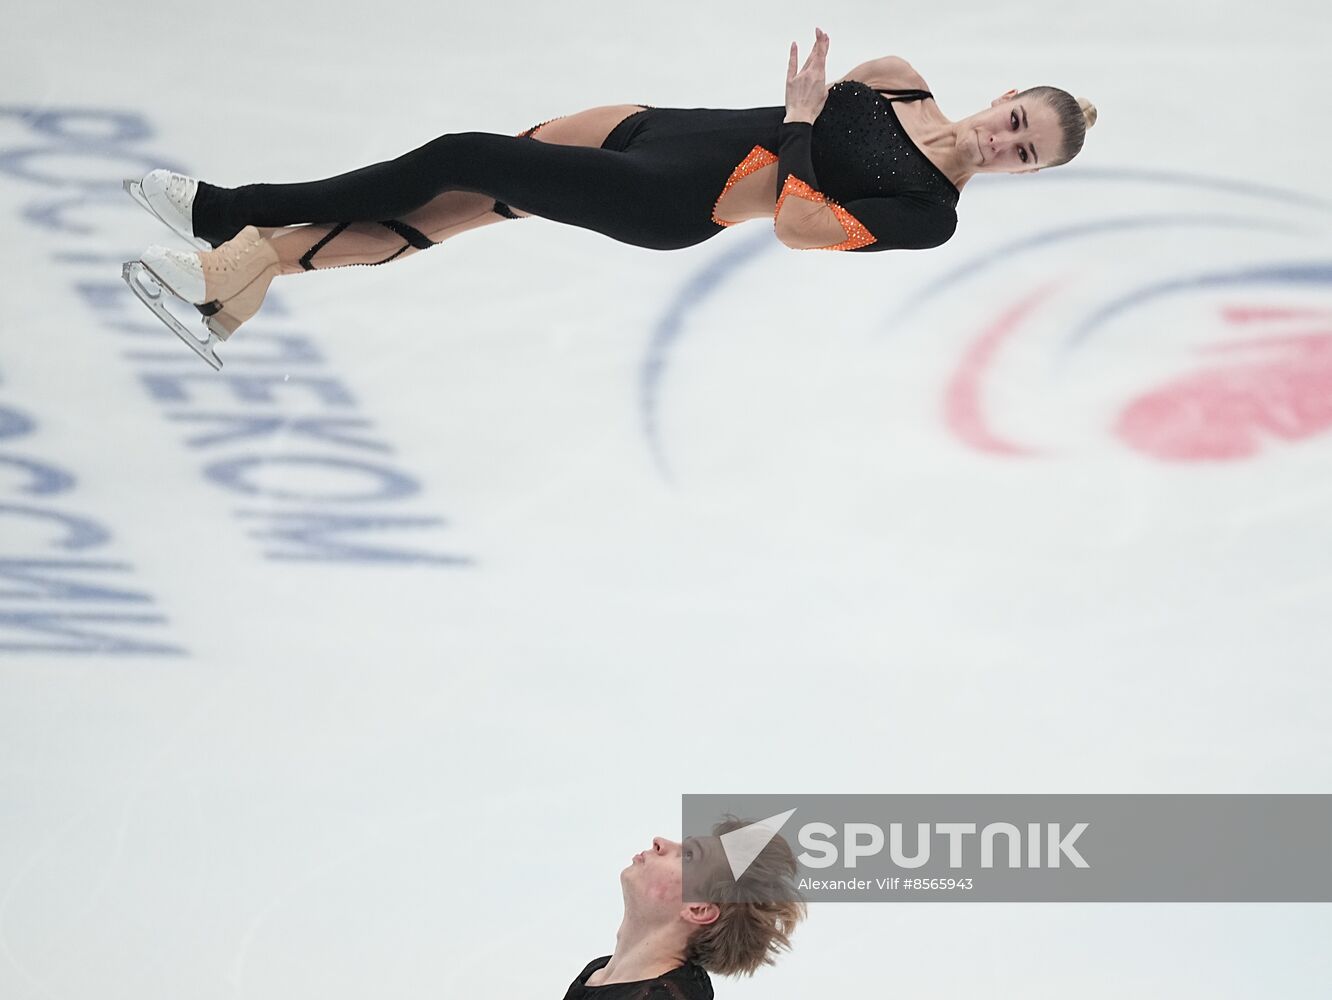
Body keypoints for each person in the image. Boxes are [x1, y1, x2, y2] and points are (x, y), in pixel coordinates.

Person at [121, 28, 1097, 367]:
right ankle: (238, 282)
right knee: (466, 199)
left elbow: (800, 227)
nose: (1004, 144)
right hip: (659, 128)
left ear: (1028, 175)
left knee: (465, 156)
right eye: (1019, 124)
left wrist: (801, 124)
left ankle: (229, 221)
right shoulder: (896, 76)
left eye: (1026, 156)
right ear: (1006, 97)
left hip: (672, 204)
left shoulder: (928, 215)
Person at [562, 820, 805, 999]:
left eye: (687, 856)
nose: (659, 842)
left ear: (698, 908)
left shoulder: (666, 996)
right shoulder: (598, 972)